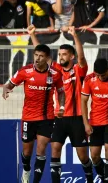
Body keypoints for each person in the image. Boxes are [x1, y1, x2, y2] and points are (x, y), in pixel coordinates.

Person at [28, 25, 93, 183]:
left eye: (64, 54)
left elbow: (82, 58)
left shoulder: (78, 70)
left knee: (82, 156)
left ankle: (90, 178)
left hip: (77, 118)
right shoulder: (56, 70)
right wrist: (33, 35)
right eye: (60, 54)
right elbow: (43, 55)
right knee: (55, 149)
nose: (61, 57)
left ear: (71, 56)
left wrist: (75, 37)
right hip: (59, 117)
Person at [2, 44, 64, 183]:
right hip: (28, 117)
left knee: (41, 150)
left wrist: (62, 107)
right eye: (36, 55)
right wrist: (6, 89)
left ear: (48, 58)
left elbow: (61, 91)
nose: (37, 58)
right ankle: (26, 169)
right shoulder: (25, 71)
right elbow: (9, 84)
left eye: (41, 56)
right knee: (27, 152)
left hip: (46, 117)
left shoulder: (55, 74)